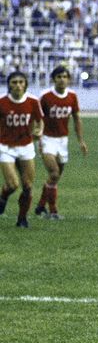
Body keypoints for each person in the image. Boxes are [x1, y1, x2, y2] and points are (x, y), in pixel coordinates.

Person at [34, 66, 87, 220]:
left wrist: (81, 141)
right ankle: (53, 211)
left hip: (63, 140)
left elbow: (77, 118)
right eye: (59, 77)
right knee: (54, 173)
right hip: (47, 139)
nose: (62, 79)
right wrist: (37, 132)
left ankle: (40, 205)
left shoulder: (72, 96)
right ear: (53, 79)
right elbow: (37, 116)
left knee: (55, 177)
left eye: (65, 76)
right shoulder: (45, 96)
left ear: (69, 79)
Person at [0, 71, 44, 228]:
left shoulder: (32, 101)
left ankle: (22, 219)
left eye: (21, 82)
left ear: (25, 84)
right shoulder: (2, 102)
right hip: (6, 147)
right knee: (12, 184)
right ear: (9, 85)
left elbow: (40, 121)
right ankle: (3, 196)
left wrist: (39, 130)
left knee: (28, 186)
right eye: (14, 82)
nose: (18, 85)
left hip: (26, 147)